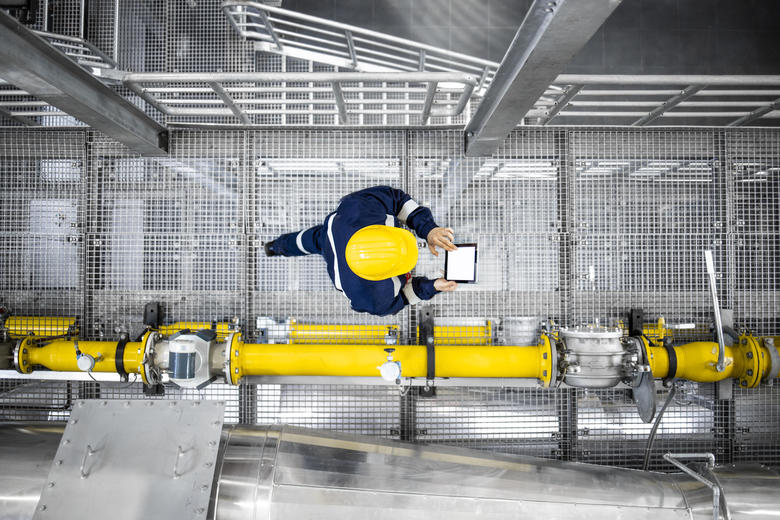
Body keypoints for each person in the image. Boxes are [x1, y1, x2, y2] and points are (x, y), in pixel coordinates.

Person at [264, 185, 458, 316]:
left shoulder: (360, 208)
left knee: (306, 240)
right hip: (335, 249)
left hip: (334, 232)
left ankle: (274, 247)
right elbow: (404, 298)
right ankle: (274, 247)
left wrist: (429, 229)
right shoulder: (371, 297)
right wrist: (433, 286)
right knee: (310, 240)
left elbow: (398, 200)